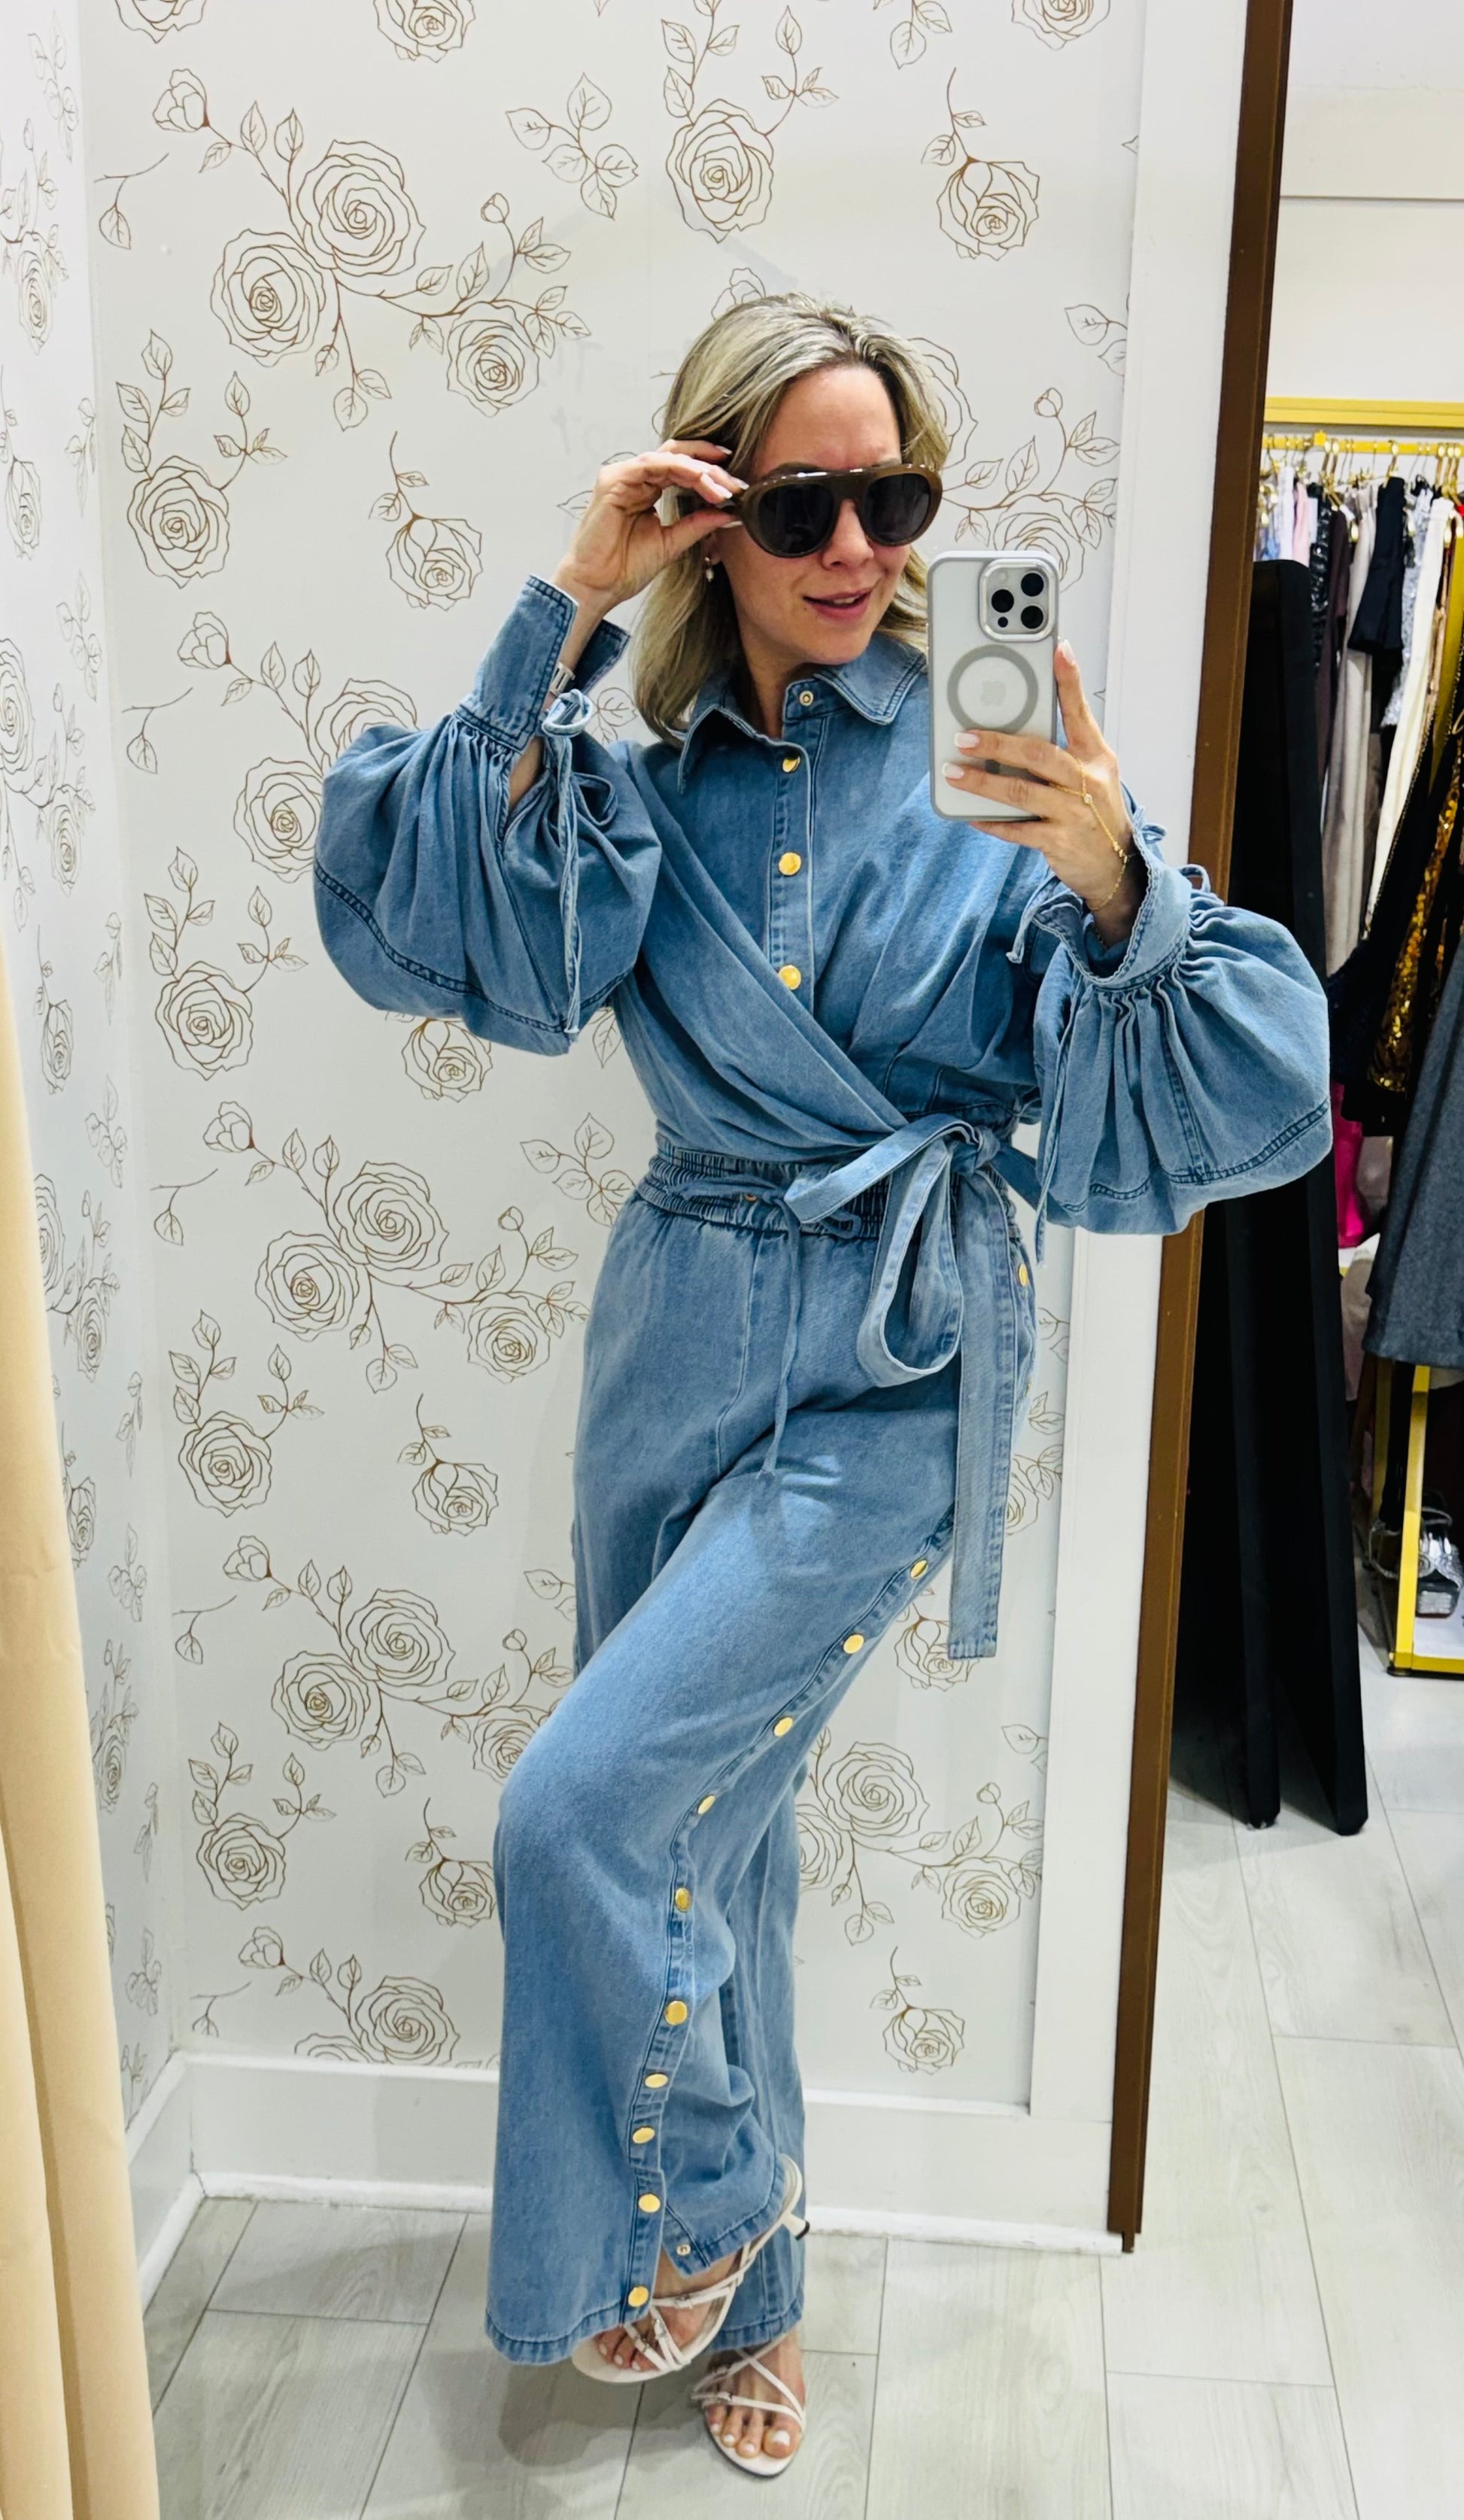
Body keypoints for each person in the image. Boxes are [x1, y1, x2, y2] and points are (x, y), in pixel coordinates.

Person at [312, 293, 1331, 2478]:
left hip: (893, 1359)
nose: (856, 545)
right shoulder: (635, 787)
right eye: (799, 505)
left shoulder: (993, 760)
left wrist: (1113, 870)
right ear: (714, 519)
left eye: (896, 498)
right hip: (669, 1341)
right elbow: (437, 926)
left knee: (584, 1808)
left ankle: (708, 2214)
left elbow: (1231, 1088)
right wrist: (566, 600)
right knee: (718, 1834)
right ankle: (766, 2305)